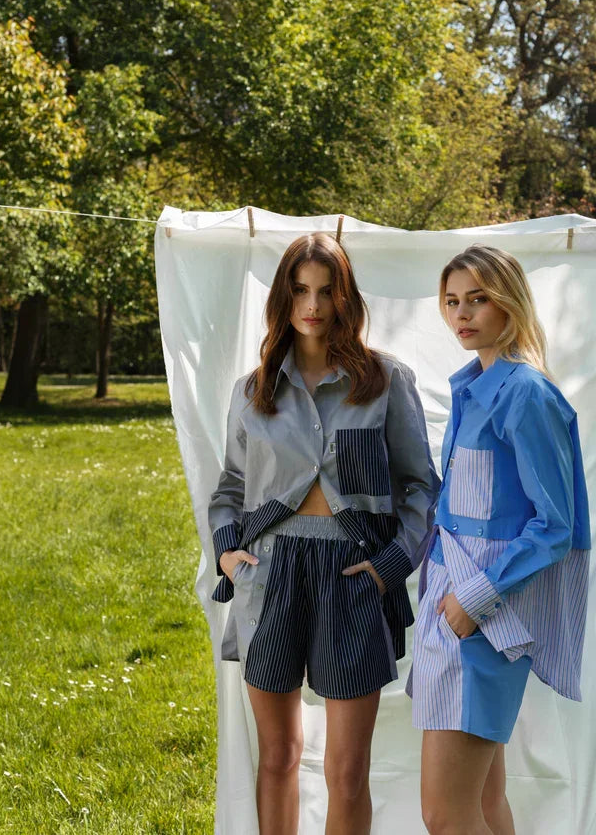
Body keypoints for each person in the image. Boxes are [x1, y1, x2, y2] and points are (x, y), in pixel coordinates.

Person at [208, 232, 439, 835]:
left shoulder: (385, 382)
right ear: (282, 298)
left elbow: (421, 486)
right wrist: (229, 555)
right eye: (299, 290)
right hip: (269, 575)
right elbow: (231, 486)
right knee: (278, 757)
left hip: (353, 576)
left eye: (326, 291)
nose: (312, 305)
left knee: (347, 770)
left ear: (345, 298)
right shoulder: (253, 391)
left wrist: (391, 566)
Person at [410, 245, 590, 835]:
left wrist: (473, 600)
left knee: (445, 815)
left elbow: (555, 525)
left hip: (483, 617)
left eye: (478, 299)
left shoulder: (527, 394)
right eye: (452, 301)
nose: (461, 314)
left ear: (508, 302)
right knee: (485, 804)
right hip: (452, 609)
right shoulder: (472, 388)